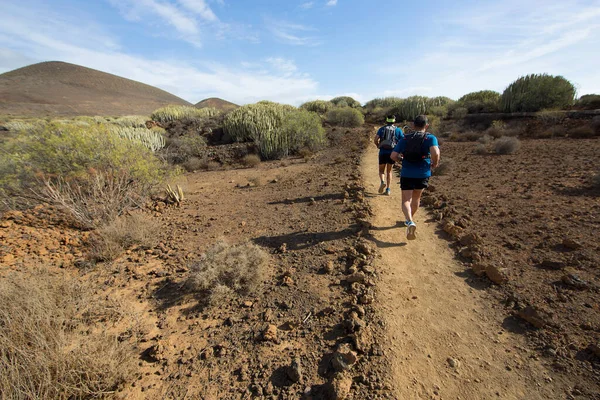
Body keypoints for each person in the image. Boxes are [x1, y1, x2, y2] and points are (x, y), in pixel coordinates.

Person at [391, 115, 440, 240]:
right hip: (423, 173)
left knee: (406, 200)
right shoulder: (430, 138)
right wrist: (435, 163)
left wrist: (401, 160)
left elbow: (393, 156)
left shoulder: (405, 138)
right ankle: (409, 220)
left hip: (407, 172)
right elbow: (435, 152)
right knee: (416, 198)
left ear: (413, 125)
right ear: (426, 126)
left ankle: (410, 221)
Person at [373, 115, 404, 195]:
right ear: (394, 121)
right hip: (392, 153)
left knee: (381, 170)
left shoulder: (382, 129)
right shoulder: (398, 130)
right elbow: (403, 141)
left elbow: (376, 139)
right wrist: (399, 151)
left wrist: (378, 145)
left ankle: (382, 182)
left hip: (383, 152)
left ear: (387, 121)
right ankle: (388, 189)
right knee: (389, 171)